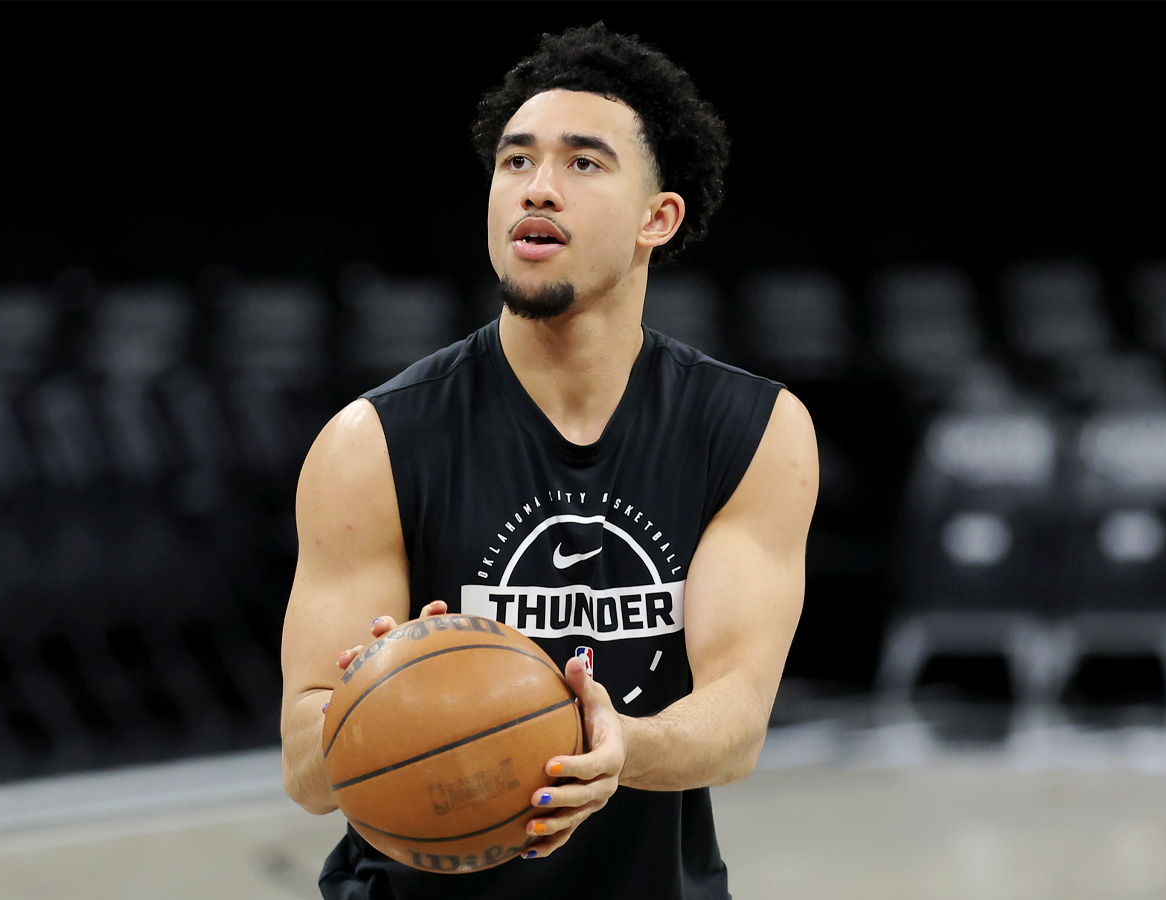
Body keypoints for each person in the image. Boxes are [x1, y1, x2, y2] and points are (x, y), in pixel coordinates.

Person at [280, 23, 817, 900]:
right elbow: (306, 772)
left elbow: (736, 723)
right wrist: (370, 697)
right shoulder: (370, 442)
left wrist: (619, 746)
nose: (538, 185)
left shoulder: (752, 430)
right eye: (516, 160)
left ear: (657, 218)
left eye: (584, 162)